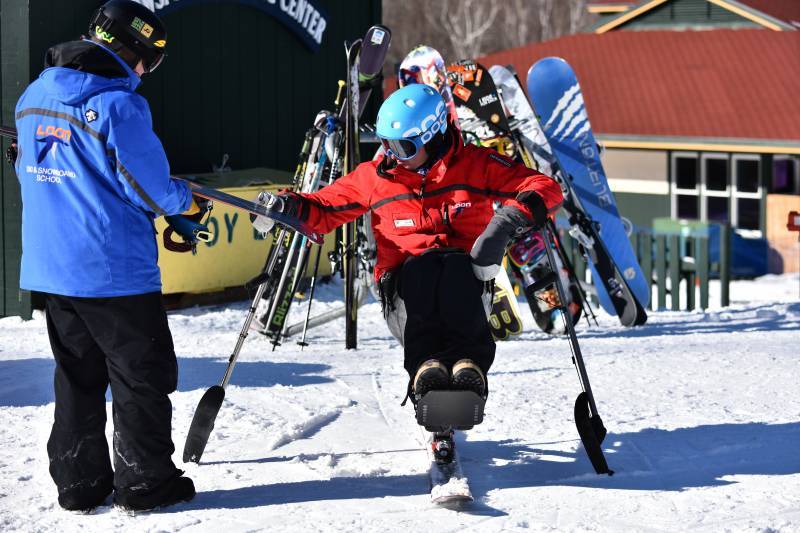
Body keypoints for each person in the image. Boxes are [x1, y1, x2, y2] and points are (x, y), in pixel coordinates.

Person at [252, 84, 563, 406]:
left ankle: (469, 368)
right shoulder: (376, 177)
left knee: (454, 265)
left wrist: (505, 224)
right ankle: (425, 369)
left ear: (434, 136)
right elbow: (324, 207)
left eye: (403, 147)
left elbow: (545, 188)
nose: (392, 156)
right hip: (406, 288)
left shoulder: (476, 165)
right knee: (423, 266)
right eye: (386, 144)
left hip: (465, 282)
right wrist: (287, 207)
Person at [14, 0, 196, 513]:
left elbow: (29, 167)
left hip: (54, 269)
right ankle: (145, 483)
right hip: (113, 272)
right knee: (142, 376)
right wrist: (184, 200)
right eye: (149, 60)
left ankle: (80, 483)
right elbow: (150, 189)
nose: (146, 72)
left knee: (78, 375)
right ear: (133, 51)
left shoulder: (35, 94)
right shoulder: (119, 105)